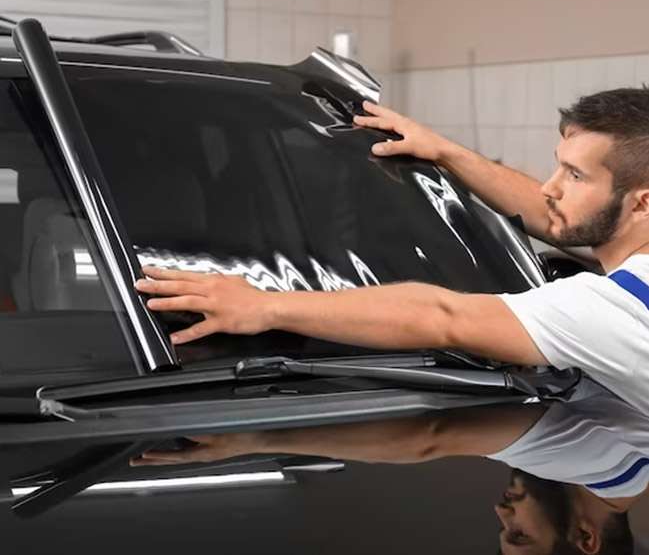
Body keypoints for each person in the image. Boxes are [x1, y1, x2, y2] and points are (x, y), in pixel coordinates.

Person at [135, 87, 649, 416]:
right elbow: (555, 219)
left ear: (642, 202)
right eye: (557, 166)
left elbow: (443, 316)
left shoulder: (614, 308)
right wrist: (445, 152)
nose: (550, 188)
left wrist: (264, 304)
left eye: (575, 175)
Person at [132, 379, 643, 554]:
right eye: (520, 535)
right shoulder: (595, 460)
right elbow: (429, 436)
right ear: (586, 539)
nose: (501, 512)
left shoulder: (627, 467)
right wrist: (254, 438)